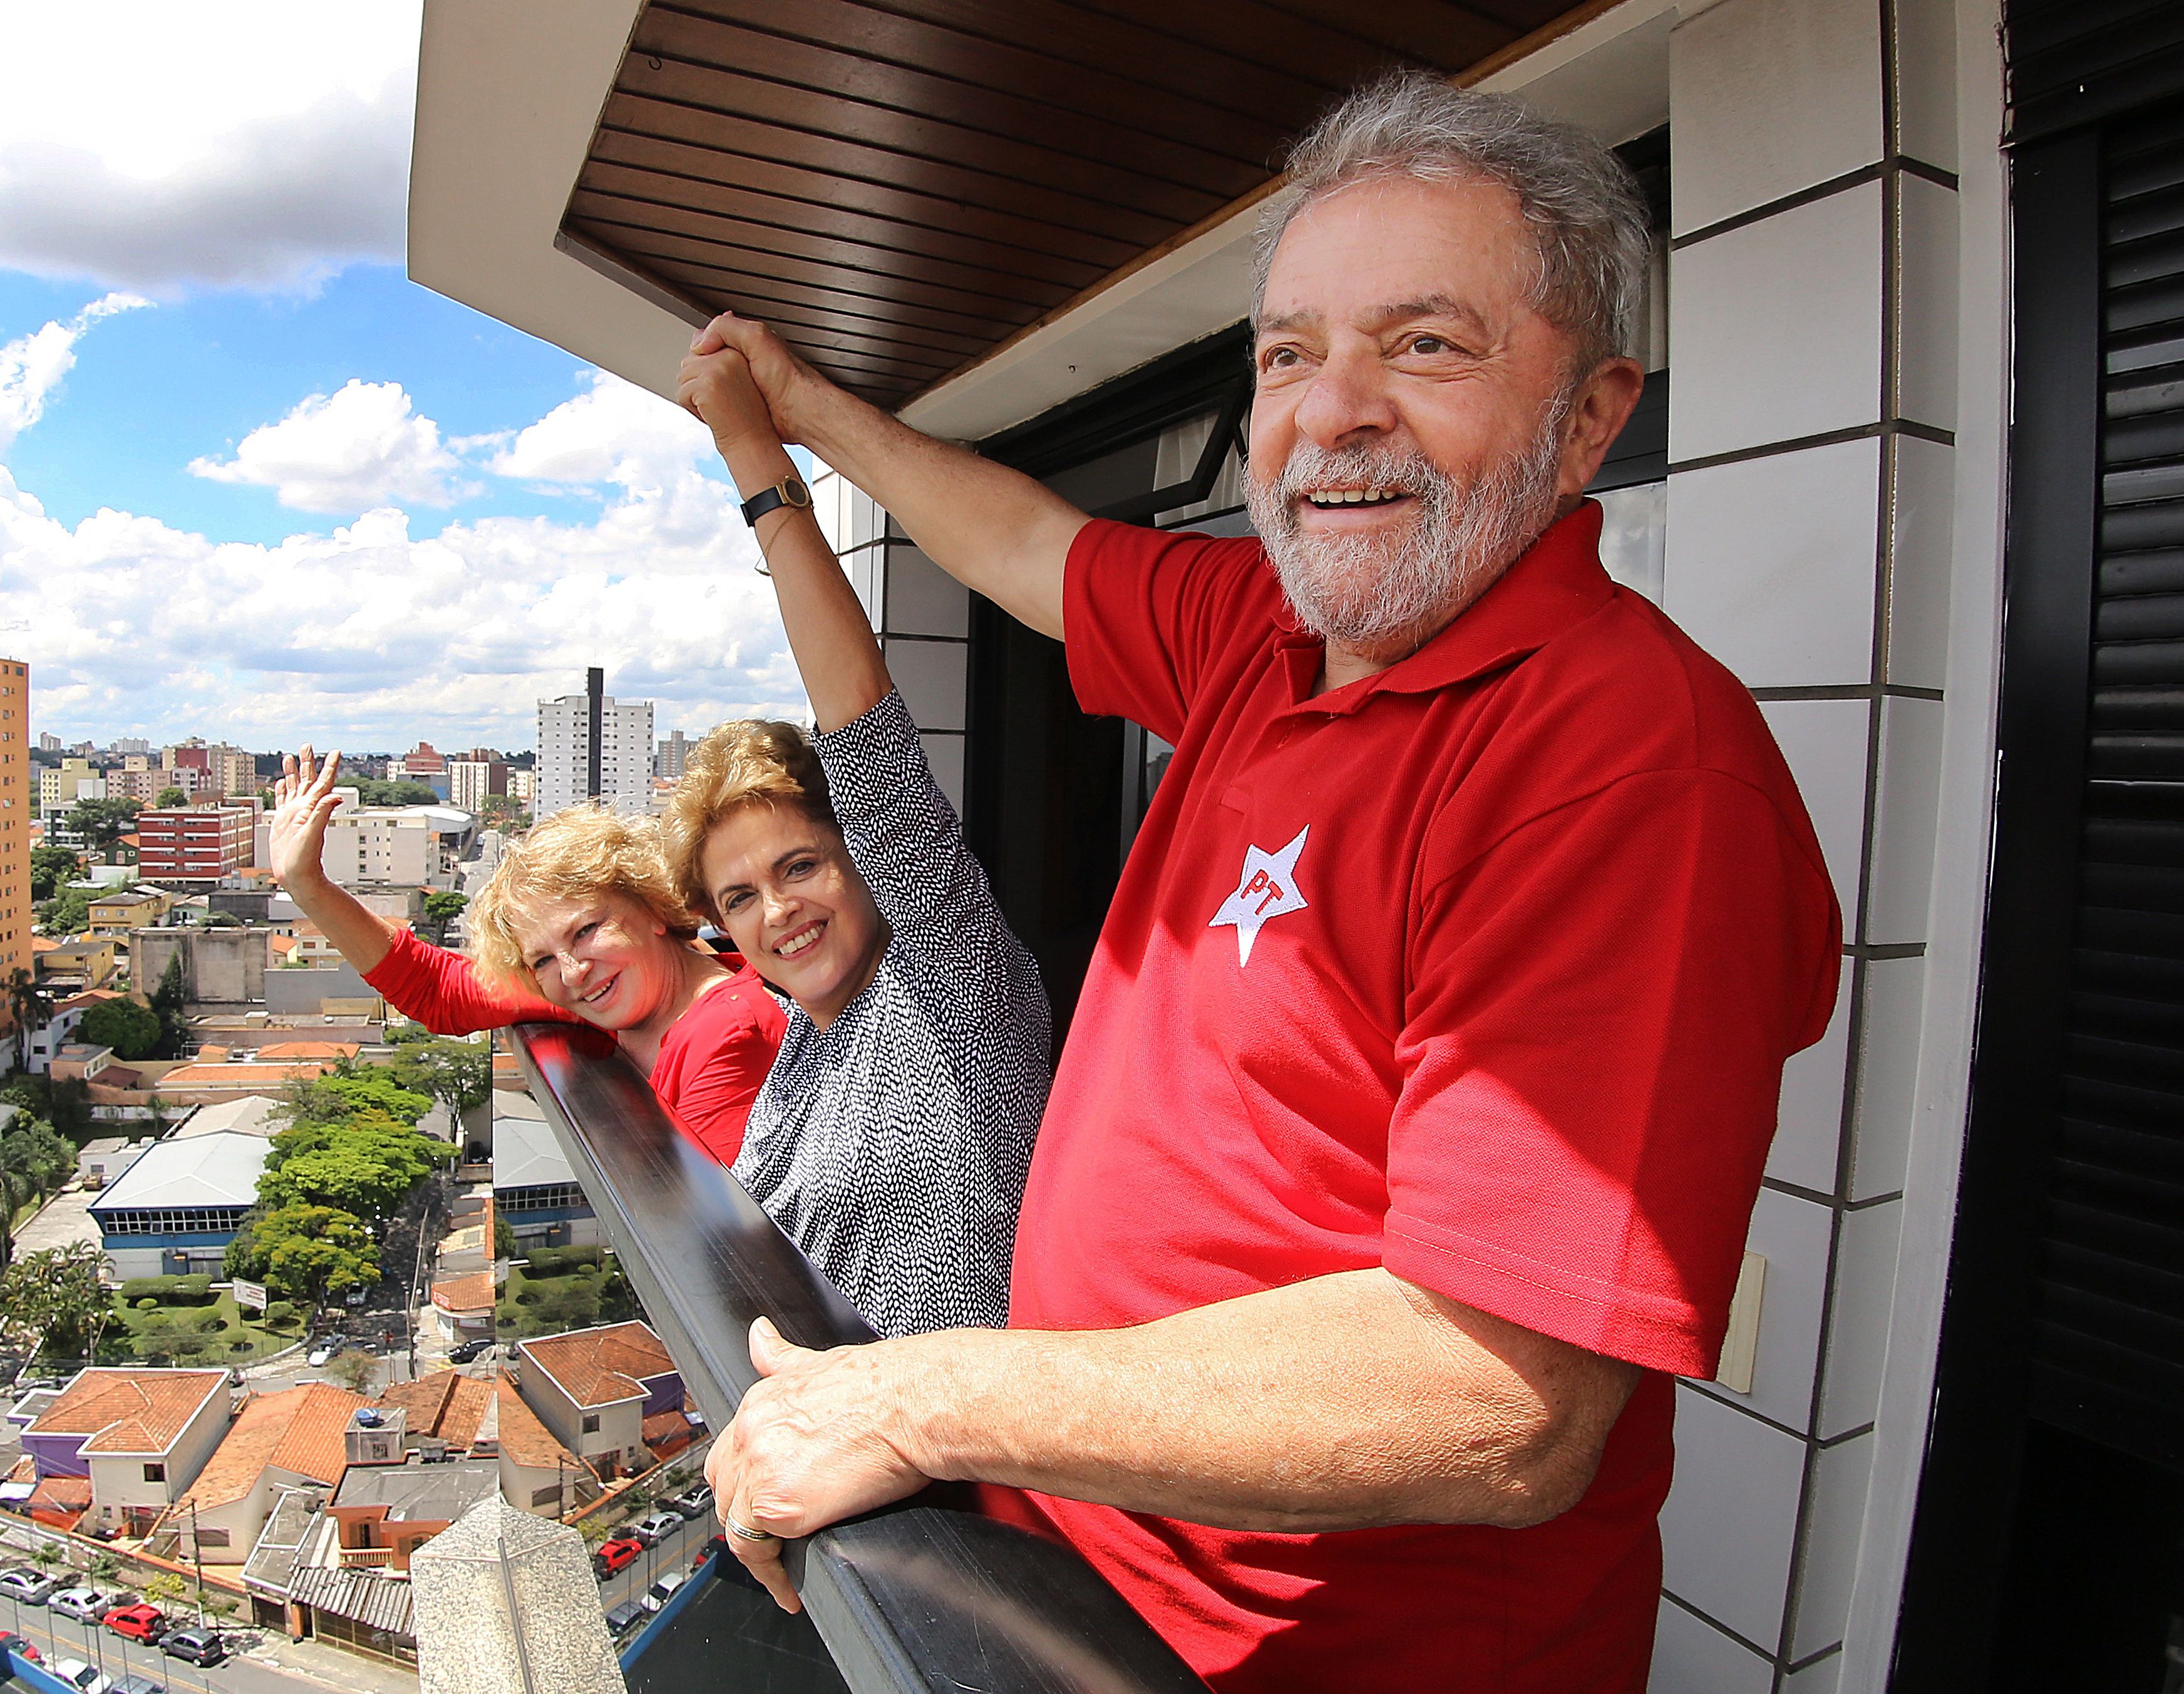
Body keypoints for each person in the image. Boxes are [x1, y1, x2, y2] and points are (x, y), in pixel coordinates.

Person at [692, 74, 1841, 1693]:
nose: (1330, 408)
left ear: (1588, 417)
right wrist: (800, 414)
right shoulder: (1264, 634)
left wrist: (917, 1395)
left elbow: (1493, 1398)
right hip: (1069, 1580)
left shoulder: (1629, 764)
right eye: (1287, 354)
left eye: (1421, 345)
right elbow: (1019, 543)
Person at [664, 356, 1051, 1340]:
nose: (777, 909)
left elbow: (861, 728)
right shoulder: (804, 1034)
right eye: (740, 896)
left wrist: (750, 455)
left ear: (862, 853)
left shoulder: (948, 990)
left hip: (967, 1477)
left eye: (798, 866)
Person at [261, 758, 782, 1165]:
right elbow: (438, 990)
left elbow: (732, 1246)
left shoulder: (726, 1034)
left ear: (652, 907)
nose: (575, 970)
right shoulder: (611, 990)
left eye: (587, 929)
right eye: (542, 959)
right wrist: (308, 885)